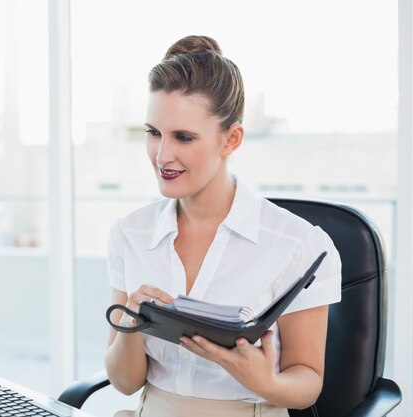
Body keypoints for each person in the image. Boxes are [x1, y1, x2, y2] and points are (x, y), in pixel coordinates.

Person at [104, 35, 342, 417]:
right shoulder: (129, 234)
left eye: (184, 137)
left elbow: (308, 382)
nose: (162, 155)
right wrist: (133, 319)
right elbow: (125, 382)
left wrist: (264, 380)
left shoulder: (299, 245)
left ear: (231, 139)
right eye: (153, 132)